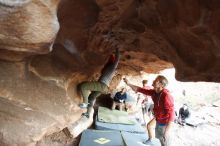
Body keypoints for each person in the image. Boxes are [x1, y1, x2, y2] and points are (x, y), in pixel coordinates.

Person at [124, 75, 175, 146]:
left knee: (164, 140)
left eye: (156, 80)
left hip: (165, 121)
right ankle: (151, 140)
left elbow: (172, 114)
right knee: (150, 126)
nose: (153, 81)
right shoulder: (154, 92)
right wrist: (128, 83)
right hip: (159, 117)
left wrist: (167, 130)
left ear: (161, 84)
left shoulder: (166, 95)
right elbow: (140, 89)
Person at [78, 48, 120, 118]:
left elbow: (117, 60)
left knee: (83, 86)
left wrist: (117, 49)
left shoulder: (112, 67)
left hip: (102, 85)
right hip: (104, 88)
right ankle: (88, 113)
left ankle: (85, 103)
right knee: (91, 97)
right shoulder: (108, 69)